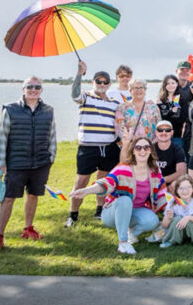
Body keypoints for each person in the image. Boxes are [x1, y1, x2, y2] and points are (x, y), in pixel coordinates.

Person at [69, 137, 168, 255]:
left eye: (146, 147)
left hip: (136, 211)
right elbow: (106, 183)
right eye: (138, 147)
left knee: (153, 221)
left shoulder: (155, 172)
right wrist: (87, 191)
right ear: (133, 151)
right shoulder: (123, 168)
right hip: (113, 212)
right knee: (125, 200)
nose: (142, 150)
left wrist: (175, 209)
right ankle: (123, 242)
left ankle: (131, 233)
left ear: (151, 151)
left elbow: (162, 195)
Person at [0, 77, 56, 248]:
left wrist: (51, 157)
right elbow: (2, 137)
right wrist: (2, 162)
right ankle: (0, 235)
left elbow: (52, 136)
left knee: (33, 195)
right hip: (16, 163)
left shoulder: (48, 110)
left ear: (41, 90)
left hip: (40, 163)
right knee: (8, 199)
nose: (33, 89)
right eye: (29, 86)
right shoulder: (10, 109)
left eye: (37, 87)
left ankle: (28, 229)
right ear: (23, 89)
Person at [67, 62, 121, 227]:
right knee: (82, 181)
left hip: (109, 147)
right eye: (99, 82)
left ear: (110, 84)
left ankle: (100, 210)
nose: (102, 85)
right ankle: (73, 215)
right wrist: (79, 74)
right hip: (88, 147)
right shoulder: (86, 97)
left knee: (104, 180)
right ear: (93, 83)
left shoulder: (114, 103)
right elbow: (74, 94)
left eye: (105, 82)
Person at [158, 175, 193, 248]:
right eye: (181, 188)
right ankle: (171, 241)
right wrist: (168, 218)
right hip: (177, 231)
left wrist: (188, 218)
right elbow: (164, 225)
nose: (185, 191)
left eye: (188, 187)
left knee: (191, 220)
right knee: (177, 219)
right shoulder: (172, 201)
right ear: (177, 190)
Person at [115, 79, 161, 143]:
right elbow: (119, 129)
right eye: (135, 88)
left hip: (150, 147)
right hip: (129, 146)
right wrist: (134, 141)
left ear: (145, 90)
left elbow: (160, 128)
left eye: (141, 87)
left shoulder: (153, 108)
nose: (138, 90)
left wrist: (150, 144)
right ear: (130, 90)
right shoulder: (122, 108)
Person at [147, 120, 186, 187]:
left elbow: (181, 173)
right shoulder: (149, 149)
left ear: (172, 132)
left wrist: (162, 181)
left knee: (176, 184)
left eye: (167, 130)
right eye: (160, 130)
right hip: (151, 183)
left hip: (170, 185)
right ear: (156, 132)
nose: (164, 132)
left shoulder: (178, 149)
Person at [156, 75, 188, 149]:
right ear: (164, 85)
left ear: (177, 84)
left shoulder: (181, 99)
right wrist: (171, 112)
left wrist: (167, 115)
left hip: (177, 135)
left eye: (173, 83)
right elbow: (160, 119)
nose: (170, 85)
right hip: (162, 135)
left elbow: (182, 119)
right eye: (168, 83)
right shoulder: (160, 100)